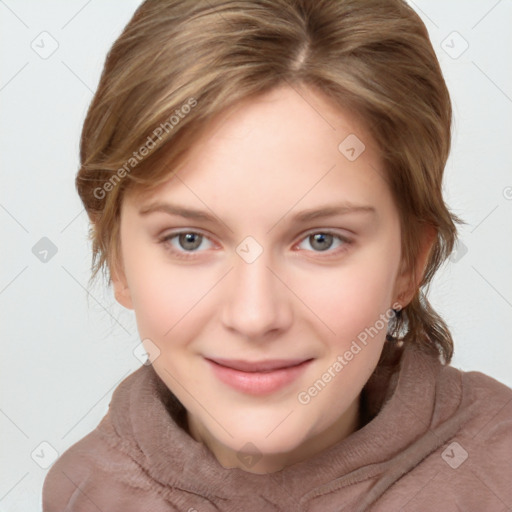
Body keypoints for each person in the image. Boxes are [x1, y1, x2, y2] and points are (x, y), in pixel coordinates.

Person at [42, 0, 512, 510]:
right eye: (190, 239)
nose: (255, 315)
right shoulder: (84, 491)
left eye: (321, 240)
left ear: (408, 263)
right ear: (118, 260)